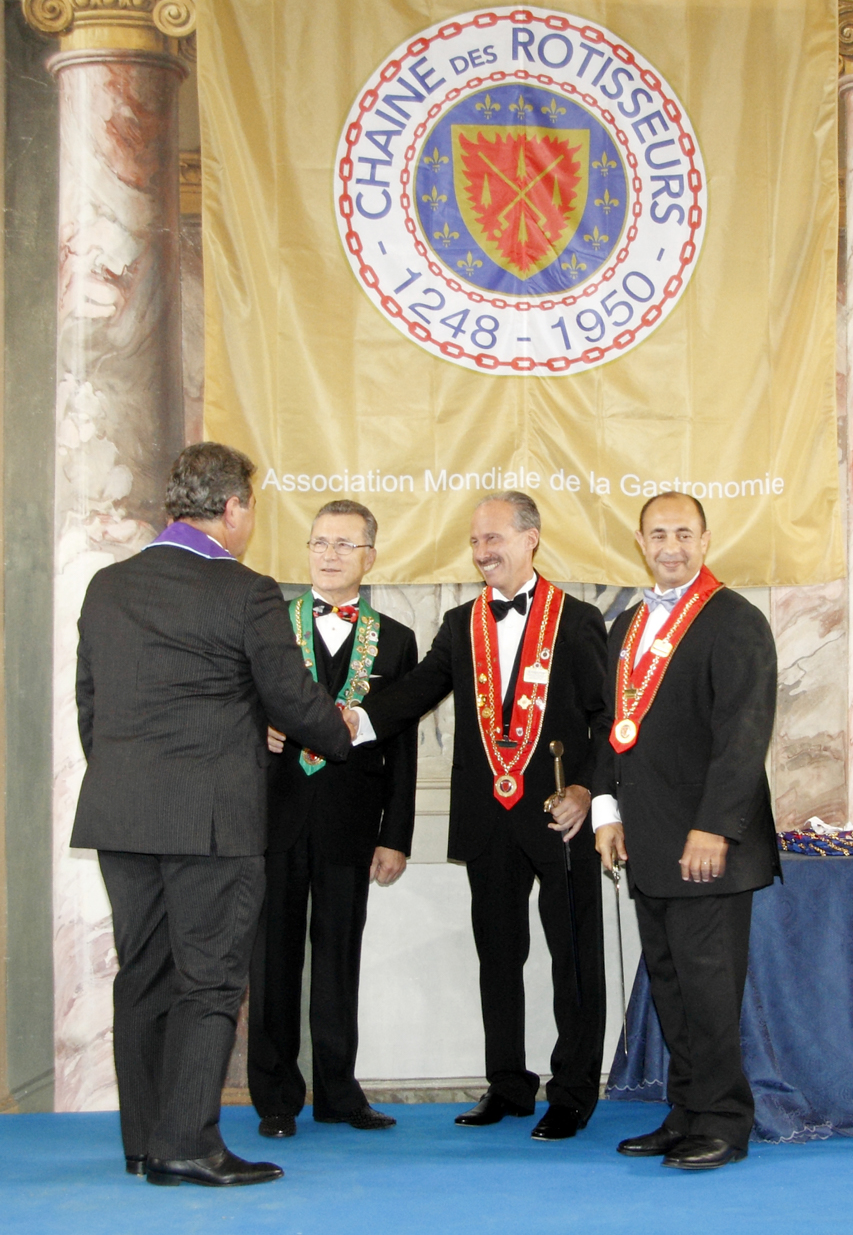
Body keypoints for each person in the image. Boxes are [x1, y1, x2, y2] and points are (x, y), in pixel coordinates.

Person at [71, 443, 353, 1188]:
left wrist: (130, 781)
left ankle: (145, 1142)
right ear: (232, 509)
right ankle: (188, 1145)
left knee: (142, 975)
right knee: (210, 982)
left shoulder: (108, 585)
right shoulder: (245, 590)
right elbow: (292, 700)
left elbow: (91, 705)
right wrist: (347, 733)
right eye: (251, 507)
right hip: (211, 822)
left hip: (122, 815)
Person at [349, 492, 609, 1140]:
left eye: (493, 538)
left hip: (561, 817)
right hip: (487, 818)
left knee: (574, 957)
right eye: (474, 541)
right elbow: (415, 692)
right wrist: (349, 720)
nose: (482, 551)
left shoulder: (577, 620)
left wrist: (585, 788)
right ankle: (508, 1086)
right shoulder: (460, 622)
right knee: (498, 955)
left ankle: (573, 1092)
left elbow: (606, 719)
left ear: (530, 539)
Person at [593, 491, 779, 1171]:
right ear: (640, 543)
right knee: (671, 989)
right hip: (647, 844)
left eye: (682, 533)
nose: (669, 546)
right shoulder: (626, 624)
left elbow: (743, 733)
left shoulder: (735, 619)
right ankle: (687, 1112)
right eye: (657, 534)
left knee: (709, 992)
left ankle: (725, 1121)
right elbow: (612, 727)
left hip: (708, 849)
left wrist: (713, 828)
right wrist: (607, 813)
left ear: (704, 540)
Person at [247, 499, 417, 1136]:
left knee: (339, 958)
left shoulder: (397, 639)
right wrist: (254, 727)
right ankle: (275, 1099)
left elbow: (401, 745)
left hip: (352, 822)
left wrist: (395, 836)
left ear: (370, 557)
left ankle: (339, 1093)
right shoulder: (267, 623)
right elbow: (231, 702)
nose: (330, 554)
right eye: (320, 542)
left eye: (345, 544)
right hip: (274, 818)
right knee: (273, 961)